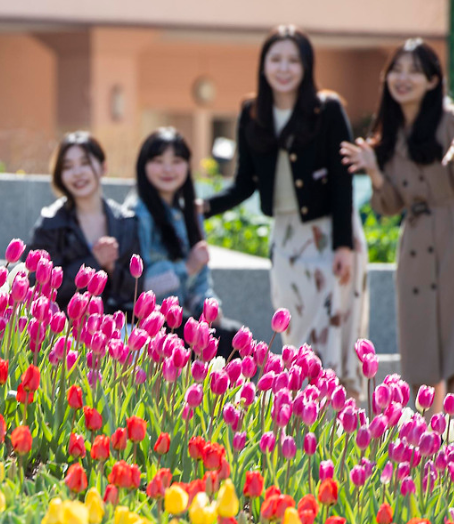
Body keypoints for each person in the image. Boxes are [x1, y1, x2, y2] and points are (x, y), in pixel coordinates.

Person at [202, 25, 368, 397]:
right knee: (295, 330)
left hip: (330, 236)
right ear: (263, 66)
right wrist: (205, 207)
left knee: (332, 330)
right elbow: (244, 182)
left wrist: (343, 245)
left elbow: (343, 182)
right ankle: (303, 426)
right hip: (287, 239)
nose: (284, 68)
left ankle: (337, 426)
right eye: (275, 59)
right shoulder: (252, 113)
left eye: (293, 60)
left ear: (307, 66)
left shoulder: (327, 110)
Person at [341, 39, 454, 414]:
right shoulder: (388, 132)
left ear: (432, 80)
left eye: (413, 71)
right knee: (421, 360)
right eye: (396, 70)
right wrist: (374, 169)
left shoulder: (451, 118)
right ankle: (426, 455)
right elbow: (389, 207)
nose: (402, 78)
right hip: (415, 243)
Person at [124, 127, 243, 358]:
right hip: (145, 321)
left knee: (232, 337)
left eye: (176, 161)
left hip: (181, 320)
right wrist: (186, 267)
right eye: (158, 161)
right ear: (143, 166)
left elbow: (200, 284)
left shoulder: (190, 214)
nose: (168, 169)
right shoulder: (136, 214)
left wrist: (209, 308)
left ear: (188, 166)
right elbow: (138, 283)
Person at [28, 131, 141, 315]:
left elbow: (135, 292)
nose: (77, 172)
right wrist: (94, 262)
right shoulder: (50, 223)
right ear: (60, 175)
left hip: (115, 331)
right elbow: (38, 287)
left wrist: (111, 268)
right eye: (68, 166)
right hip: (62, 331)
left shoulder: (126, 222)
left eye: (85, 163)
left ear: (103, 167)